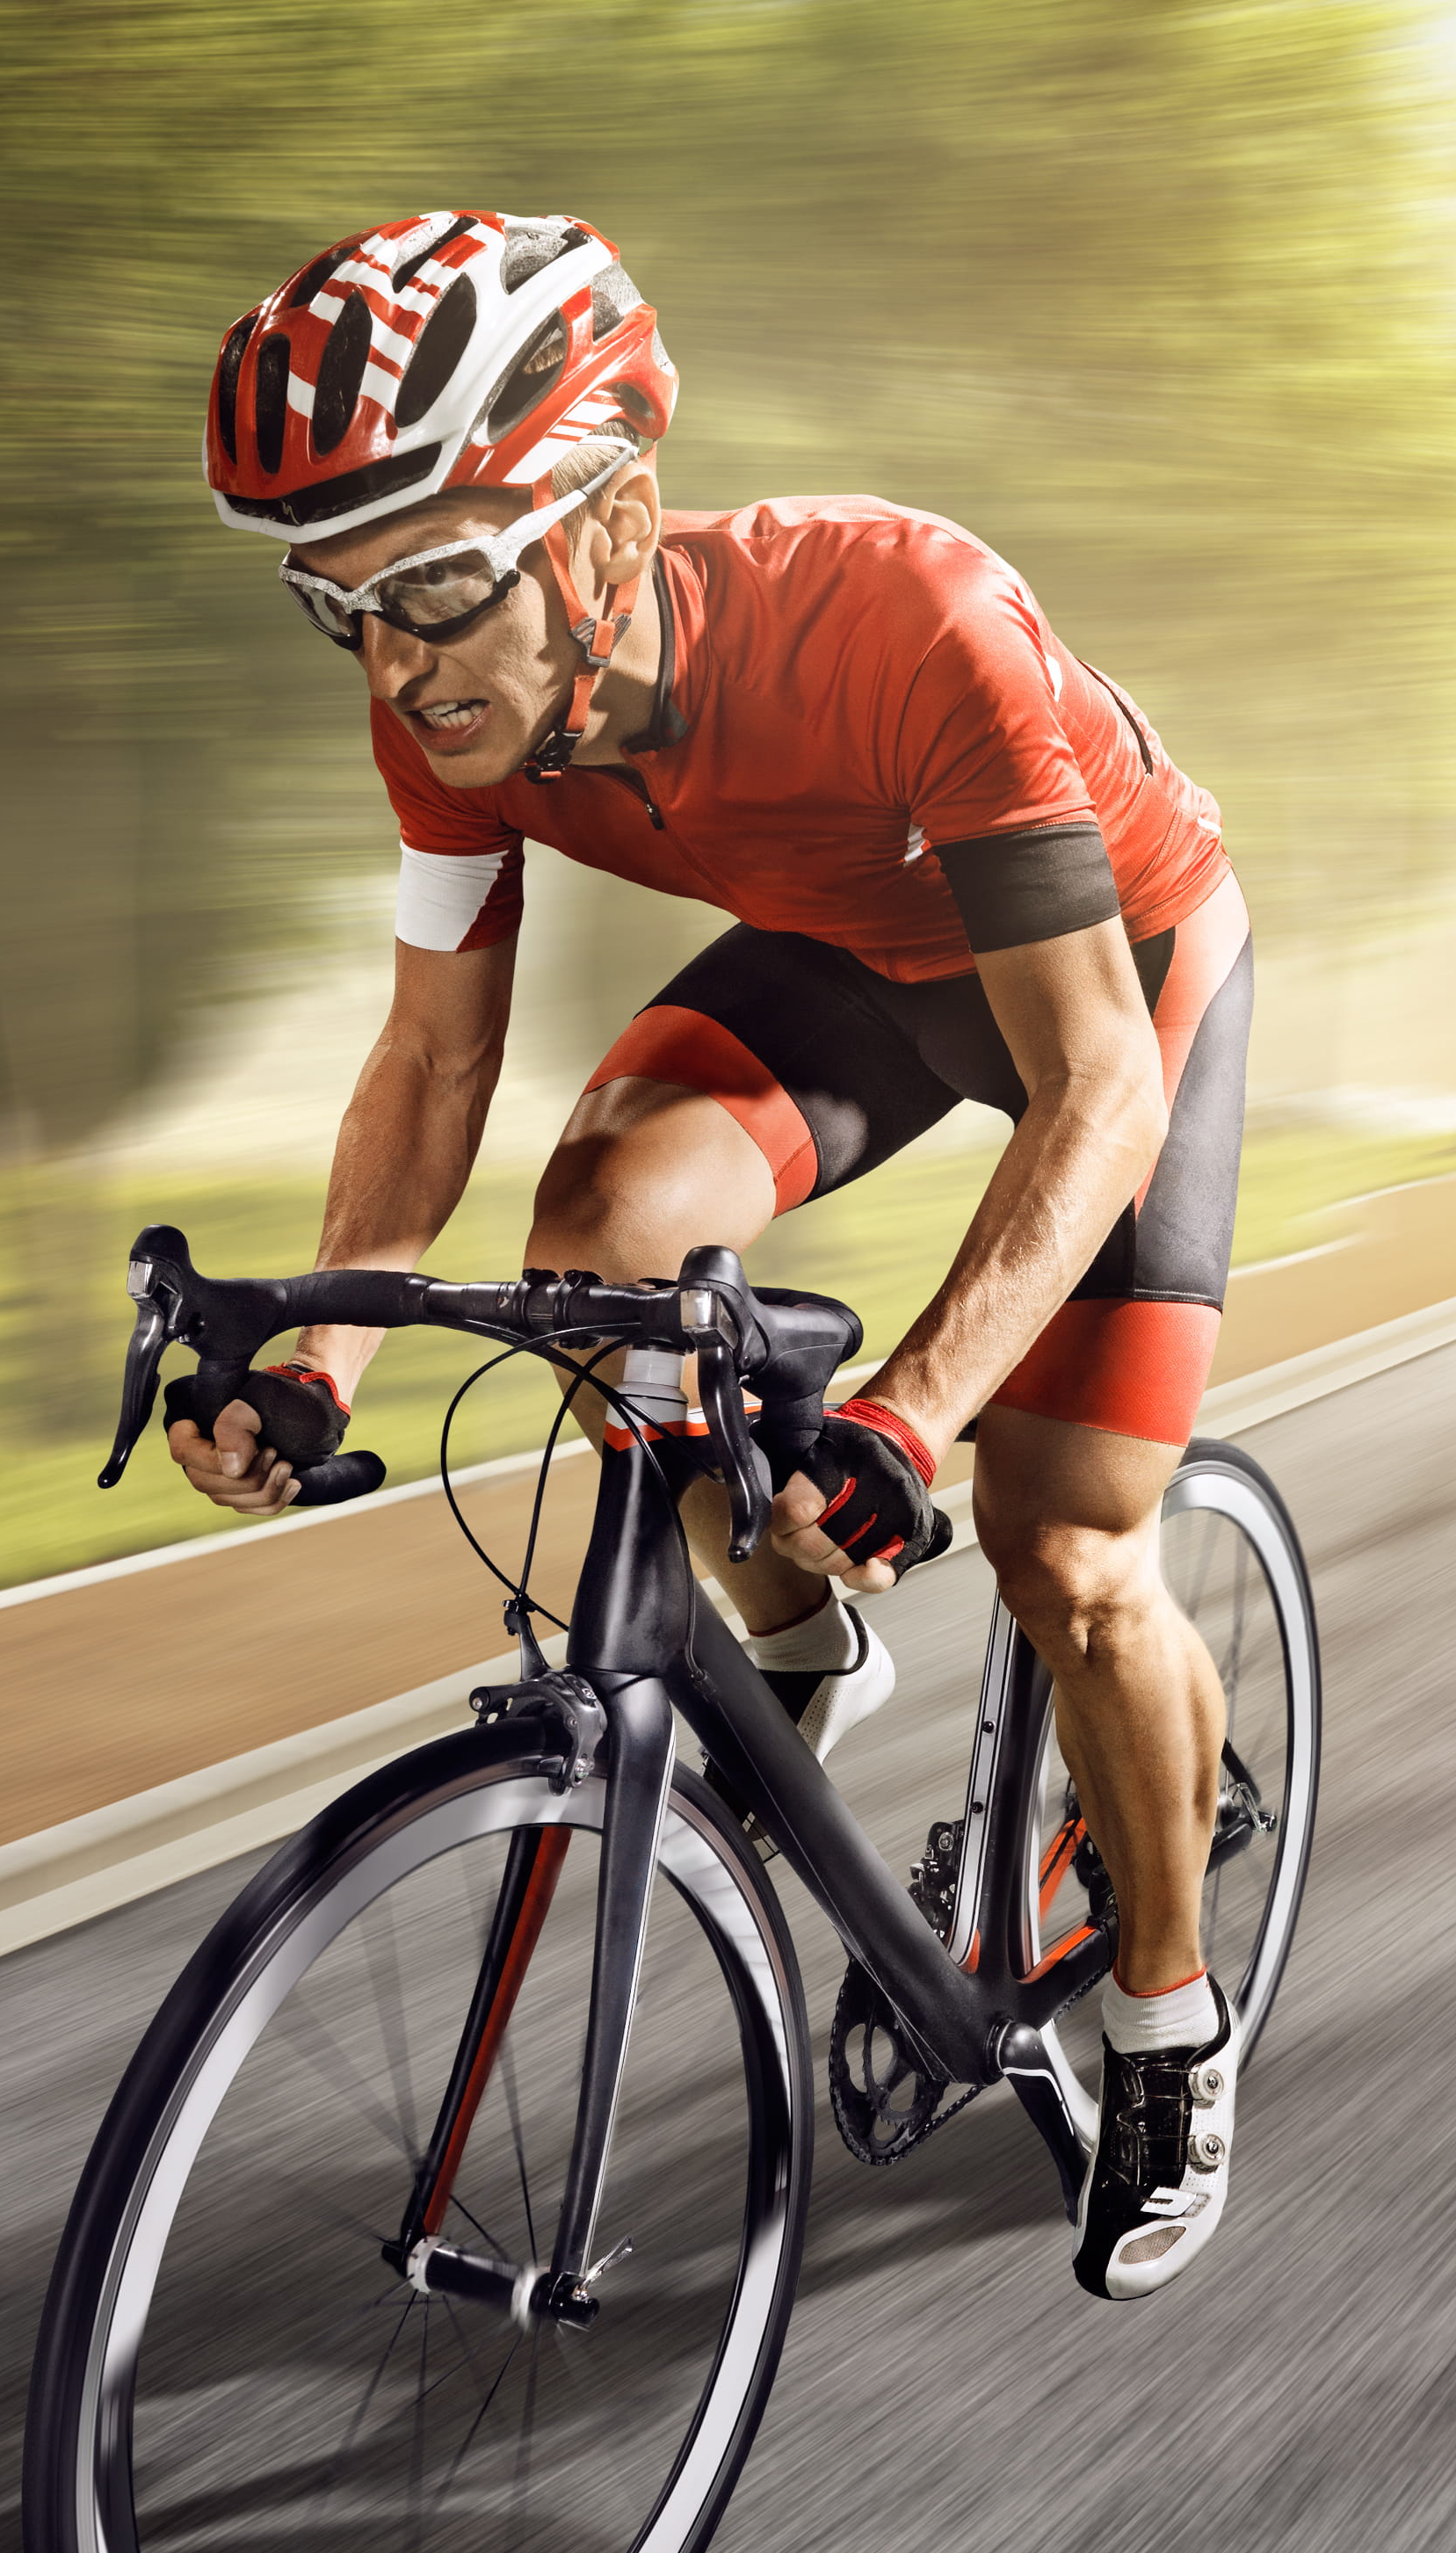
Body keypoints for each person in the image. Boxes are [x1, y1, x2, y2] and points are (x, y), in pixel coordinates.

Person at [159, 209, 1260, 2302]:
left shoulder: (907, 619)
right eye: (342, 610)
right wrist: (315, 1364)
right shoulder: (453, 710)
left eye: (439, 589)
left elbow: (1095, 1088)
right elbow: (428, 1062)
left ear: (611, 517)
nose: (399, 669)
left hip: (1112, 980)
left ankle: (1165, 2022)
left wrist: (913, 1414)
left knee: (1065, 1543)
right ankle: (794, 1640)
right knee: (597, 1240)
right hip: (861, 959)